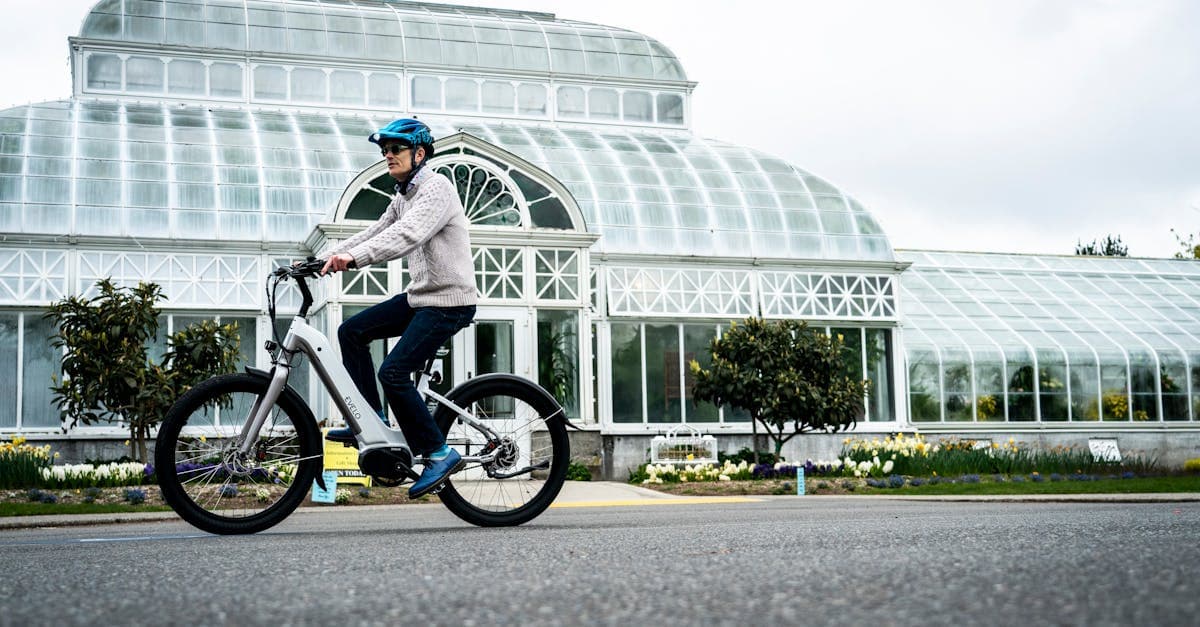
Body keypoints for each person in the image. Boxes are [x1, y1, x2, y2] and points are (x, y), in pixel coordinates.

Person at [320, 118, 477, 498]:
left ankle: (439, 453)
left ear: (419, 154)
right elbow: (376, 231)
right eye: (384, 150)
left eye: (395, 149)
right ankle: (370, 420)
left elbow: (407, 234)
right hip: (421, 297)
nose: (387, 155)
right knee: (351, 331)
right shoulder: (403, 196)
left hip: (450, 301)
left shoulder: (437, 188)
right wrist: (325, 258)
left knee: (393, 372)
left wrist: (354, 259)